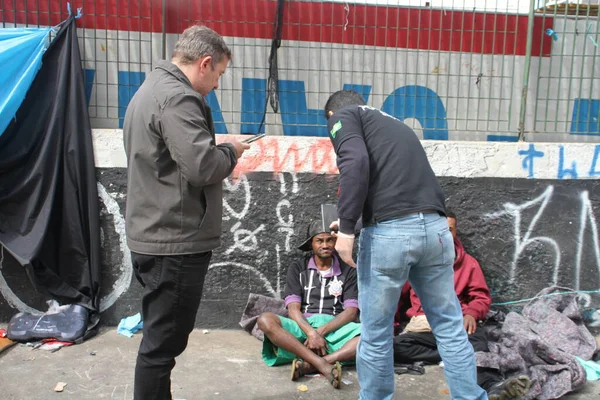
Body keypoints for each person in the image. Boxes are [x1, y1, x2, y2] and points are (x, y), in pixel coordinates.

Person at [324, 90, 487, 400]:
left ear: (333, 116)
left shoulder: (344, 117)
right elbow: (399, 192)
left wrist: (346, 231)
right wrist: (357, 224)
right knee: (450, 328)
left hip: (390, 237)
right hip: (437, 231)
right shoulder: (396, 125)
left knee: (376, 334)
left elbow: (355, 163)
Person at [123, 25, 250, 400]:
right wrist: (230, 151)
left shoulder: (150, 90)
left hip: (155, 232)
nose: (216, 85)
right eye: (219, 75)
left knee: (160, 342)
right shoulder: (179, 98)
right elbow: (201, 167)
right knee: (162, 348)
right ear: (205, 63)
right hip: (173, 241)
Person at [394, 209, 532, 400]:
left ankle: (493, 386)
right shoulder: (416, 262)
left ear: (455, 231)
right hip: (423, 328)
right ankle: (452, 356)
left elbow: (481, 297)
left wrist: (472, 314)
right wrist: (390, 328)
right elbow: (395, 299)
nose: (444, 235)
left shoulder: (468, 263)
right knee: (394, 347)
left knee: (478, 345)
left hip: (456, 325)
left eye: (449, 230)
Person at [257, 220, 361, 389]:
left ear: (336, 242)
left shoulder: (348, 270)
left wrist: (319, 333)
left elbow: (351, 312)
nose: (325, 245)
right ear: (311, 244)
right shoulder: (298, 268)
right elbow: (293, 309)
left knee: (370, 337)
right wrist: (311, 333)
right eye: (320, 240)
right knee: (265, 320)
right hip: (304, 327)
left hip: (335, 328)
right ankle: (322, 363)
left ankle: (311, 364)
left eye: (330, 240)